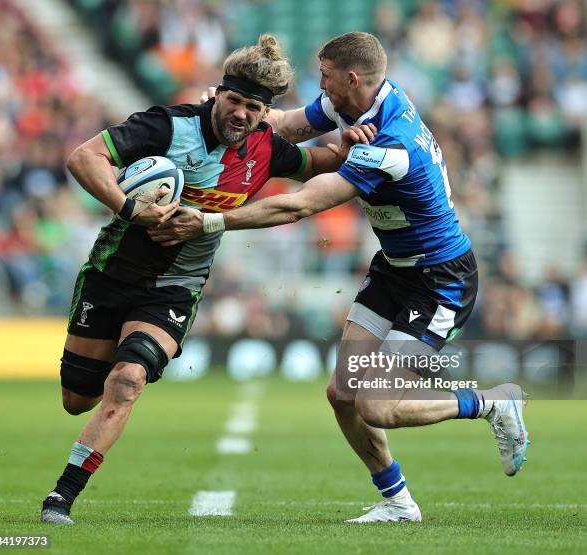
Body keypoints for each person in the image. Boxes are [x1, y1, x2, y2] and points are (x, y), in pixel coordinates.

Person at [158, 32, 530, 523]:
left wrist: (212, 220)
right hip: (393, 270)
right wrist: (226, 112)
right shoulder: (355, 103)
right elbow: (287, 126)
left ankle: (491, 402)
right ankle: (398, 504)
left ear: (351, 78)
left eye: (324, 76)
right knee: (342, 395)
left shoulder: (390, 143)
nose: (320, 84)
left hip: (441, 281)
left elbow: (301, 204)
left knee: (375, 404)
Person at [40, 34, 365, 525]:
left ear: (263, 113)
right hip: (110, 275)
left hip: (175, 287)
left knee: (127, 380)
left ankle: (61, 497)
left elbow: (313, 164)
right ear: (217, 94)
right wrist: (133, 209)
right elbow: (84, 158)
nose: (241, 114)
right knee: (75, 399)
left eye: (253, 107)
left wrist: (344, 149)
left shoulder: (264, 149)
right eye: (234, 100)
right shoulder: (167, 126)